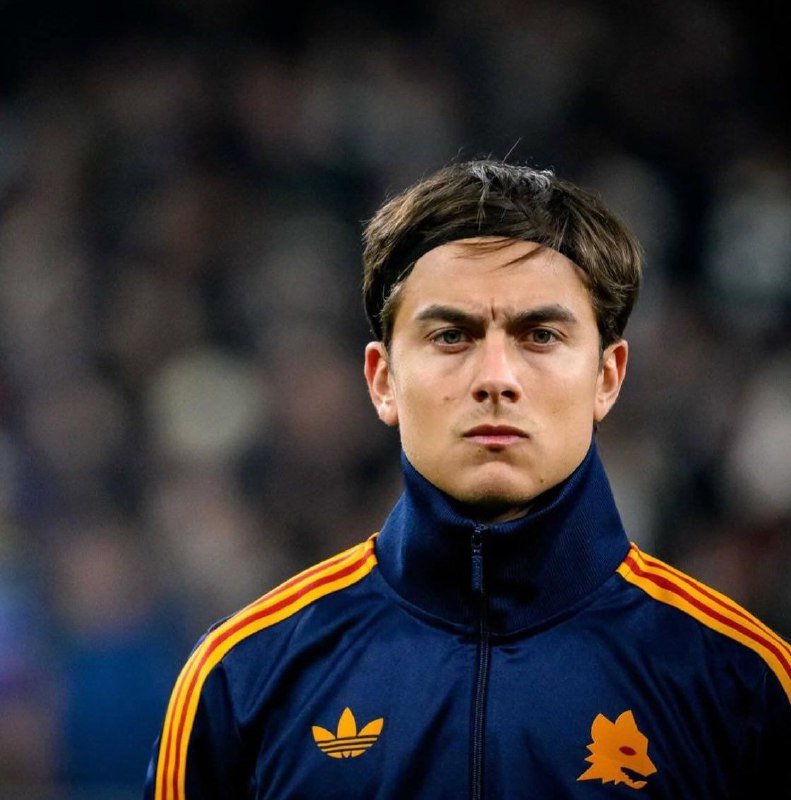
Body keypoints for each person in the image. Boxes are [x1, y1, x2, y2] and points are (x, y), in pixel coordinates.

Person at [145, 160, 791, 799]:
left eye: (540, 335)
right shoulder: (241, 681)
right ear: (382, 380)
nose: (496, 378)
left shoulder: (745, 686)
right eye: (452, 336)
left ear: (607, 377)